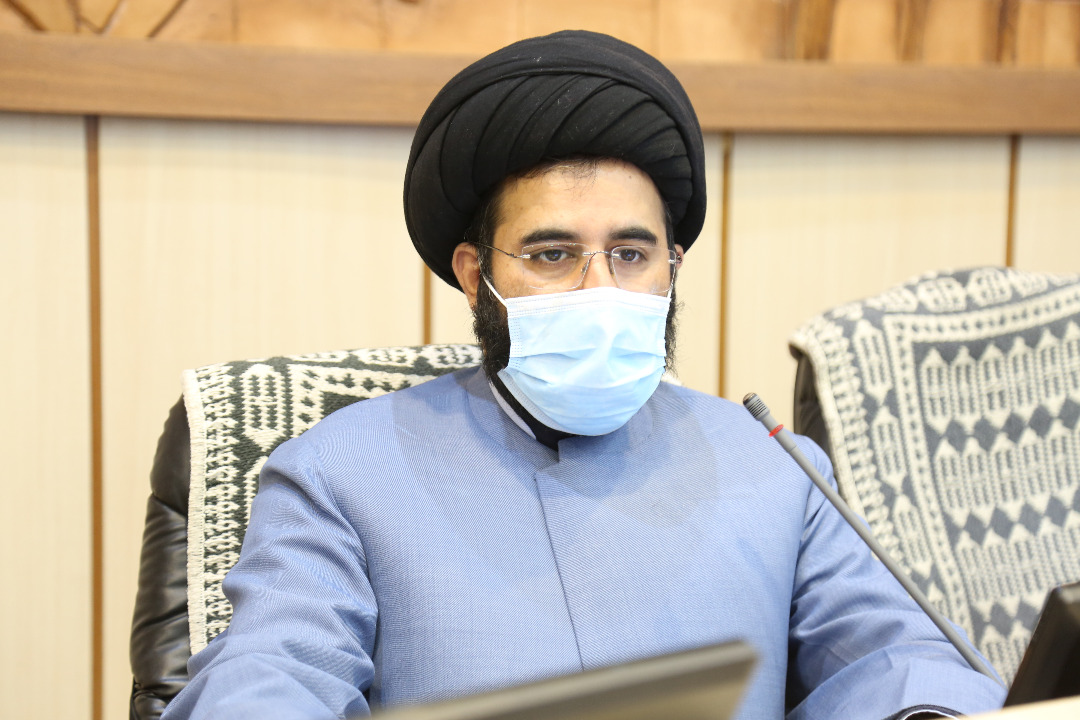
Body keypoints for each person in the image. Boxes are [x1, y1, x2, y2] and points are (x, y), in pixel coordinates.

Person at [160, 30, 1006, 720]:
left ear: (672, 268)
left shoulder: (775, 466)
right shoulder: (339, 471)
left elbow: (892, 658)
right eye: (553, 254)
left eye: (631, 254)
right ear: (475, 274)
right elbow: (275, 672)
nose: (600, 290)